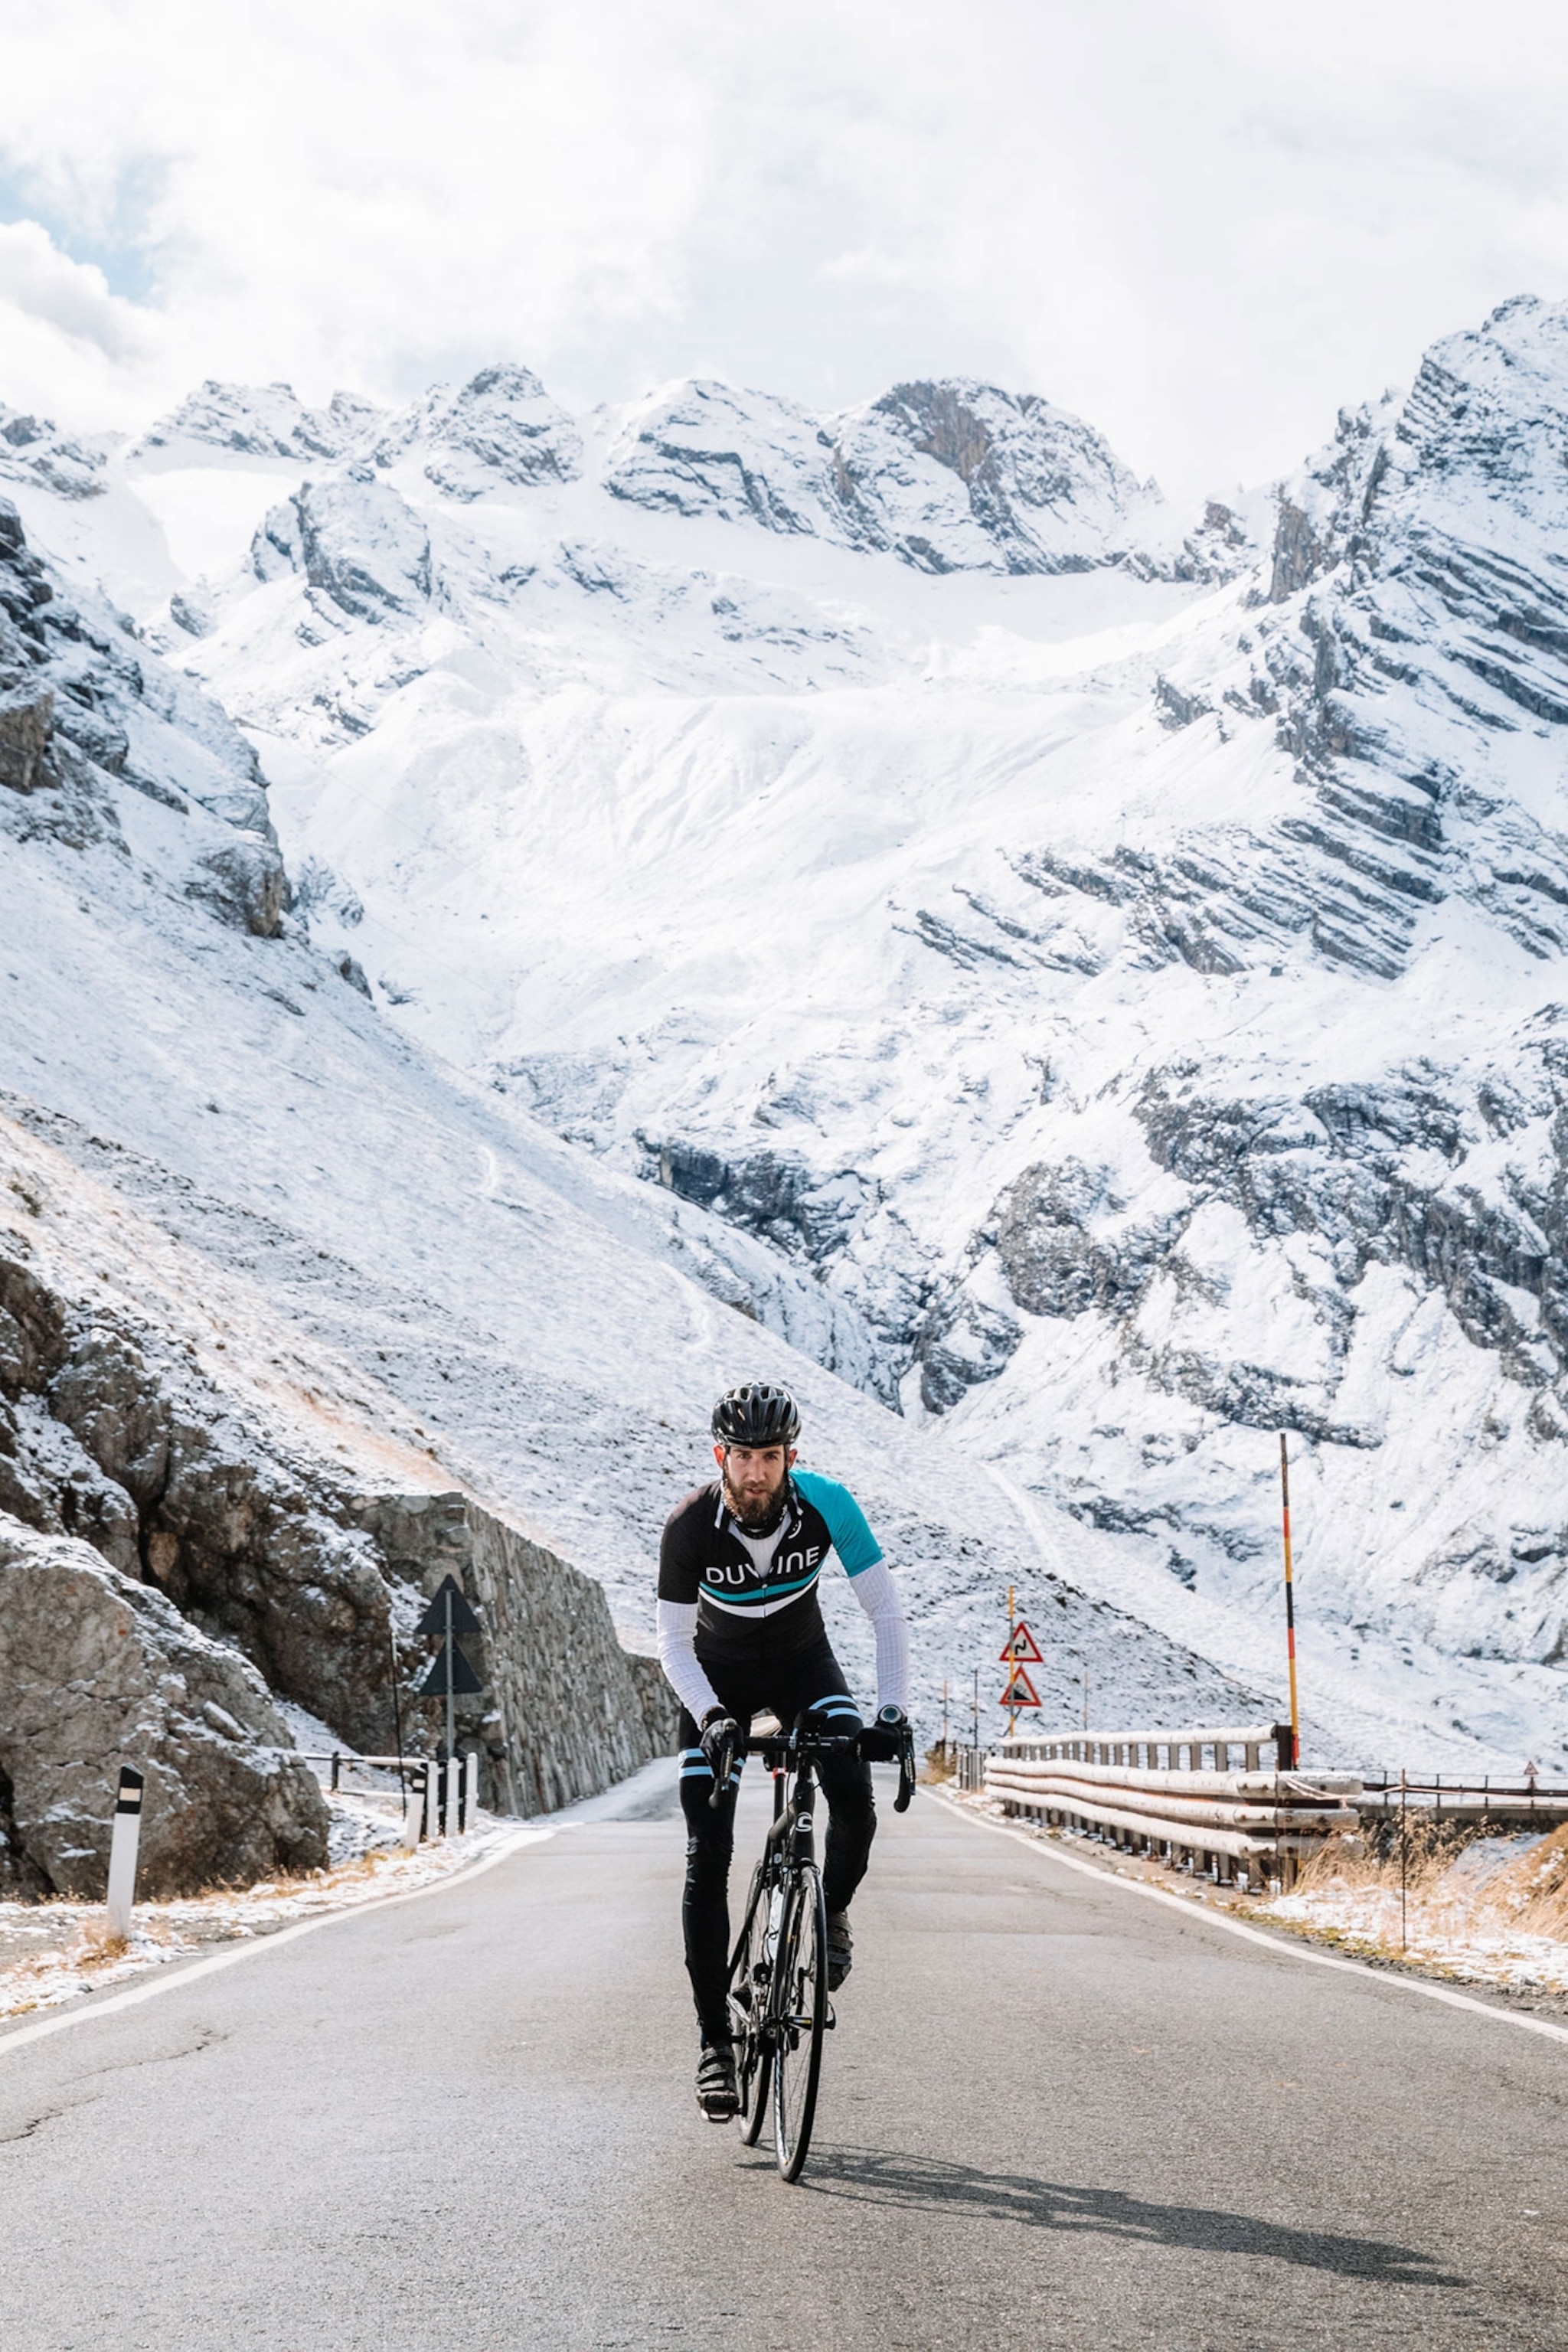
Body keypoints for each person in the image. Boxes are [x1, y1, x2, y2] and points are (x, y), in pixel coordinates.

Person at [657, 1380, 911, 2121]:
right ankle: (714, 2044)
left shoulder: (828, 1504)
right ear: (721, 1458)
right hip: (717, 1680)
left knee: (855, 1802)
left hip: (805, 1666)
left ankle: (830, 1916)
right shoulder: (690, 1526)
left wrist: (891, 1711)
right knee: (708, 1853)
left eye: (770, 1457)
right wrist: (709, 1717)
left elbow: (885, 1610)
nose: (756, 1472)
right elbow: (672, 1644)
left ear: (791, 1457)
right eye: (743, 1457)